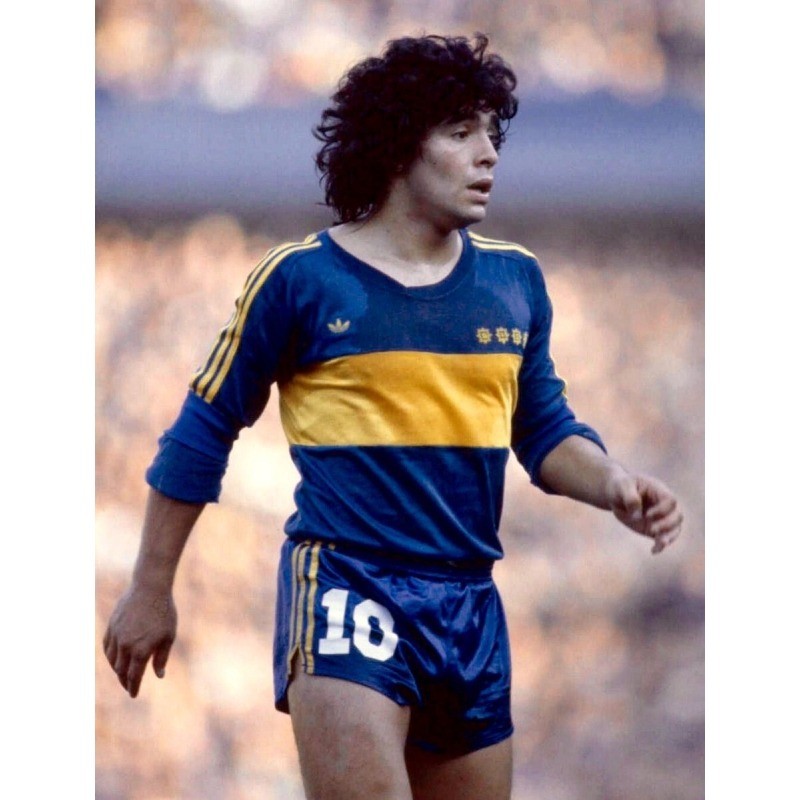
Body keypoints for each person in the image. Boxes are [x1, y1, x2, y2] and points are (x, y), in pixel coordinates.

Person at [103, 32, 683, 800]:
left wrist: (613, 483)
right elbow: (203, 429)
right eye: (461, 132)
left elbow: (542, 428)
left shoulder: (515, 282)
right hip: (348, 587)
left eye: (491, 133)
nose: (488, 154)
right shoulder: (301, 280)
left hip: (469, 605)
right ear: (400, 147)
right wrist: (151, 586)